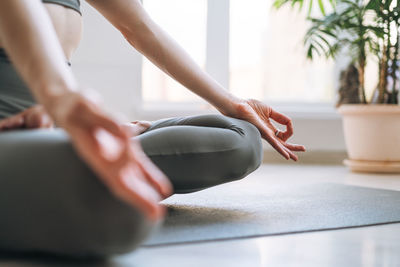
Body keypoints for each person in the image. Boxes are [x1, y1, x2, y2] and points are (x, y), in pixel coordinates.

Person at [0, 0, 305, 258]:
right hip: (14, 136)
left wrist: (233, 103)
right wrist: (63, 103)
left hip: (54, 130)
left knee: (240, 139)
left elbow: (139, 27)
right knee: (124, 215)